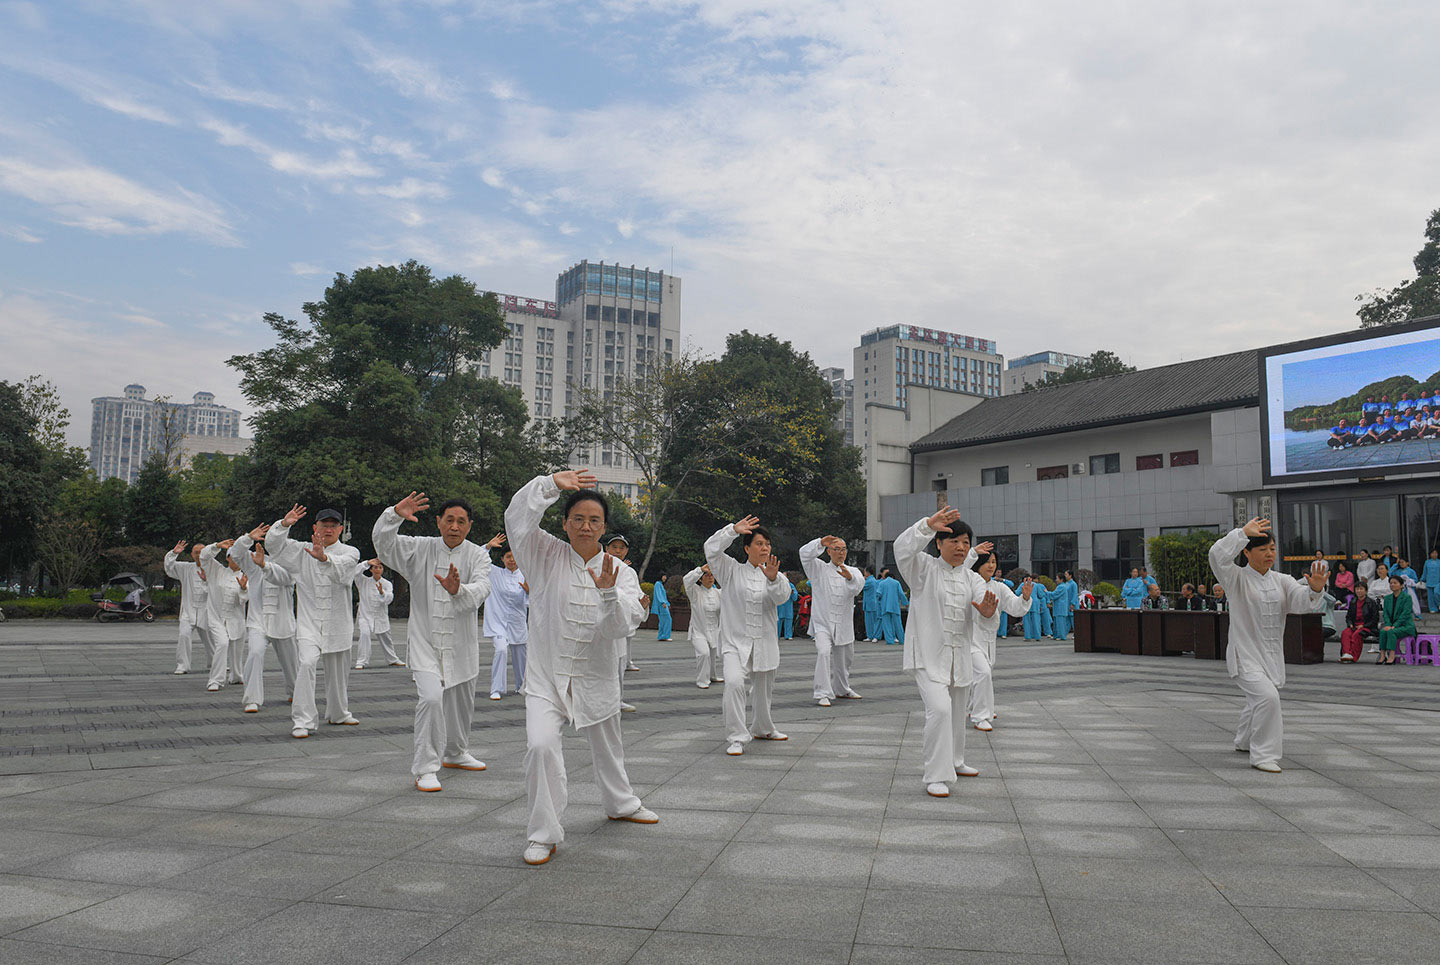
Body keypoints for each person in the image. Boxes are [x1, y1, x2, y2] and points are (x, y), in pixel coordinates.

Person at [506, 470, 658, 866]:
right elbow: (517, 517)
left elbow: (619, 628)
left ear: (604, 527)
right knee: (540, 746)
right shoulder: (543, 553)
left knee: (608, 747)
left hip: (597, 673)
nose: (586, 526)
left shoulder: (621, 572)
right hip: (546, 675)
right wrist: (550, 484)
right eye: (578, 519)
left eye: (594, 520)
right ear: (565, 523)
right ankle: (543, 832)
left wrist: (608, 594)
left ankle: (621, 803)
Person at [374, 493, 493, 792]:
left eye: (461, 521)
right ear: (438, 522)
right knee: (430, 699)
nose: (454, 526)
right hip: (425, 641)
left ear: (469, 526)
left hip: (461, 644)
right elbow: (384, 546)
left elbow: (482, 588)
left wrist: (459, 590)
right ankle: (425, 767)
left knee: (461, 705)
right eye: (449, 520)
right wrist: (394, 516)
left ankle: (455, 752)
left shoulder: (478, 554)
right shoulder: (420, 548)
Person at [1208, 518, 1327, 773]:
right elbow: (1217, 556)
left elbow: (1300, 602)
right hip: (1244, 653)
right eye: (1262, 549)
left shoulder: (1283, 580)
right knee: (1267, 698)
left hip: (1271, 654)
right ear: (1247, 552)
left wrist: (1314, 590)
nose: (1269, 553)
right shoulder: (1235, 578)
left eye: (1272, 548)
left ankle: (1243, 740)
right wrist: (1241, 534)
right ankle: (1263, 755)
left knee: (1258, 699)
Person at [895, 506, 996, 797]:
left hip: (959, 656)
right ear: (939, 543)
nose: (961, 547)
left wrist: (987, 611)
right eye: (954, 541)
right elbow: (902, 548)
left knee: (956, 712)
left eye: (966, 542)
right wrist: (927, 525)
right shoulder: (922, 568)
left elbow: (982, 602)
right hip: (928, 656)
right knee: (939, 710)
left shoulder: (971, 577)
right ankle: (936, 776)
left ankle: (955, 760)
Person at [266, 506, 362, 739]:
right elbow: (274, 547)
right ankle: (303, 720)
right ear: (314, 528)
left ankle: (338, 713)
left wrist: (325, 558)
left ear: (340, 528)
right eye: (323, 525)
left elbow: (343, 572)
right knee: (307, 664)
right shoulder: (300, 551)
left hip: (338, 623)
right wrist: (284, 525)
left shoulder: (351, 551)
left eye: (332, 525)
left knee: (338, 672)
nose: (328, 529)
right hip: (309, 623)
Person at [705, 515, 793, 757]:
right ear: (747, 548)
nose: (764, 548)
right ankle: (736, 736)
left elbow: (782, 598)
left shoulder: (775, 573)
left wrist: (774, 579)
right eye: (759, 544)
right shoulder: (731, 570)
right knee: (733, 683)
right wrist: (732, 530)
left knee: (764, 690)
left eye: (767, 544)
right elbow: (710, 550)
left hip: (764, 642)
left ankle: (763, 728)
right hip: (735, 642)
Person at [230, 525, 298, 713]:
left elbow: (285, 578)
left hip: (282, 622)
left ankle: (294, 691)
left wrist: (264, 566)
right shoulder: (254, 559)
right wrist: (247, 538)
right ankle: (252, 699)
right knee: (255, 653)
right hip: (257, 621)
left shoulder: (291, 561)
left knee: (291, 661)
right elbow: (235, 554)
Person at [968, 552, 1032, 732]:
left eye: (994, 562)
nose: (991, 566)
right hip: (970, 636)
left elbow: (1014, 606)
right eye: (987, 562)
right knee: (983, 673)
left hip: (989, 639)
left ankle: (977, 706)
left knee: (984, 673)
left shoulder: (999, 587)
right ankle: (980, 716)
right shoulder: (969, 581)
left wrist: (1025, 598)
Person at [800, 535, 867, 707]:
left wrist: (849, 578)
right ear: (829, 551)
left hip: (844, 623)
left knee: (845, 659)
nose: (841, 553)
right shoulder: (818, 568)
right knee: (823, 652)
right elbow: (804, 554)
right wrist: (820, 542)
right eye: (837, 549)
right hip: (823, 623)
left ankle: (842, 689)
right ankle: (822, 692)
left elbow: (858, 587)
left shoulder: (853, 571)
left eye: (844, 549)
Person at [484, 536, 529, 701]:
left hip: (517, 623)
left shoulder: (526, 576)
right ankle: (496, 688)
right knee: (501, 650)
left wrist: (530, 592)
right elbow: (478, 560)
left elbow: (534, 602)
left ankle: (521, 686)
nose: (512, 560)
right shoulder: (495, 573)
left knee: (521, 656)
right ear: (502, 558)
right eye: (508, 557)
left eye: (515, 556)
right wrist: (488, 546)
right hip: (498, 622)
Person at [199, 540, 248, 691]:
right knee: (222, 643)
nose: (237, 561)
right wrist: (217, 546)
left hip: (236, 618)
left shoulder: (246, 576)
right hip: (217, 617)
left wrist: (243, 588)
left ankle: (236, 676)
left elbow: (245, 599)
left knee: (237, 648)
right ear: (227, 558)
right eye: (234, 557)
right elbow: (203, 557)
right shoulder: (216, 570)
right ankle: (215, 680)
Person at [164, 540, 212, 676]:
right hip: (188, 611)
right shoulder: (185, 568)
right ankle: (182, 665)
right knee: (184, 635)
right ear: (192, 554)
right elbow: (169, 568)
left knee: (211, 639)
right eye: (196, 552)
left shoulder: (215, 568)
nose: (199, 555)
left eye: (202, 552)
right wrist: (174, 553)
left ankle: (215, 662)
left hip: (206, 610)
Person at [605, 535, 640, 712]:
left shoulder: (629, 572)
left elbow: (634, 597)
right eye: (614, 547)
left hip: (618, 625)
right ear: (607, 548)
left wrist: (641, 606)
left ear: (626, 551)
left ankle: (617, 700)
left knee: (618, 666)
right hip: (598, 624)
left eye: (621, 548)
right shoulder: (596, 566)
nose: (617, 551)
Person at [682, 564, 724, 688]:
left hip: (714, 630)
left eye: (712, 576)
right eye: (707, 575)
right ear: (700, 578)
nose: (710, 578)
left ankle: (712, 675)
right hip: (698, 630)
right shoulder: (695, 591)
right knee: (704, 653)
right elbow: (686, 580)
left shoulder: (718, 593)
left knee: (712, 655)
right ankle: (702, 680)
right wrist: (700, 570)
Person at [352, 559, 398, 670]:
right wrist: (367, 563)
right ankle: (361, 661)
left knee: (386, 638)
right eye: (375, 567)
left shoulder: (387, 584)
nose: (378, 569)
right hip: (365, 615)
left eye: (380, 567)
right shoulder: (363, 581)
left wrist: (382, 593)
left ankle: (392, 659)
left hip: (380, 615)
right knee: (365, 634)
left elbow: (389, 599)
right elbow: (355, 572)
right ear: (371, 570)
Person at [1378, 574, 1415, 666]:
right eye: (1391, 583)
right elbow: (1385, 614)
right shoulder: (1387, 598)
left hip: (1405, 626)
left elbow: (1405, 614)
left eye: (1395, 583)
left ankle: (1392, 655)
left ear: (1402, 585)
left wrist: (1394, 626)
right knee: (1383, 631)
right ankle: (1382, 655)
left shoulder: (1407, 598)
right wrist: (1388, 624)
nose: (1392, 585)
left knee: (1391, 632)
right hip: (1391, 625)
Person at [1340, 582, 1378, 663]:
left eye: (1361, 589)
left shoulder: (1371, 603)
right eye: (1357, 589)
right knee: (1345, 633)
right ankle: (1346, 654)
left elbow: (1375, 619)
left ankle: (1353, 657)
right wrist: (1350, 624)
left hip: (1367, 627)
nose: (1359, 591)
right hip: (1354, 626)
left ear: (1366, 591)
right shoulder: (1353, 602)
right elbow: (1348, 617)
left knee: (1357, 635)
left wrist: (1363, 625)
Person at [877, 568, 909, 644]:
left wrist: (879, 601)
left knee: (886, 625)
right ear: (892, 577)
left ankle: (890, 641)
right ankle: (902, 640)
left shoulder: (882, 583)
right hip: (895, 606)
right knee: (898, 624)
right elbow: (901, 594)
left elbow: (878, 594)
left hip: (885, 606)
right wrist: (906, 603)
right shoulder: (896, 583)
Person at [1052, 571, 1077, 639]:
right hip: (1066, 604)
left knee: (1073, 620)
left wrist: (1073, 603)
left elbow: (1075, 594)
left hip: (1071, 604)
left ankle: (1076, 633)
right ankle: (1062, 634)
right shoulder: (1066, 584)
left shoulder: (1073, 584)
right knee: (1066, 621)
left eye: (1066, 574)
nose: (1065, 575)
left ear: (1070, 575)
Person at [650, 573, 672, 641]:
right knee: (667, 620)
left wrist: (667, 603)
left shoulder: (660, 584)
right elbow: (659, 594)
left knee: (663, 621)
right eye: (664, 576)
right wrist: (663, 602)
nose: (665, 577)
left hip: (663, 604)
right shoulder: (658, 584)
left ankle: (662, 636)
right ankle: (664, 636)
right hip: (662, 605)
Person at [862, 567, 881, 642]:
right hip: (872, 603)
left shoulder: (869, 581)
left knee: (870, 621)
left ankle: (872, 636)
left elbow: (860, 586)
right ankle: (871, 636)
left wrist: (862, 579)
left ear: (867, 572)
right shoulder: (873, 580)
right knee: (871, 621)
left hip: (870, 603)